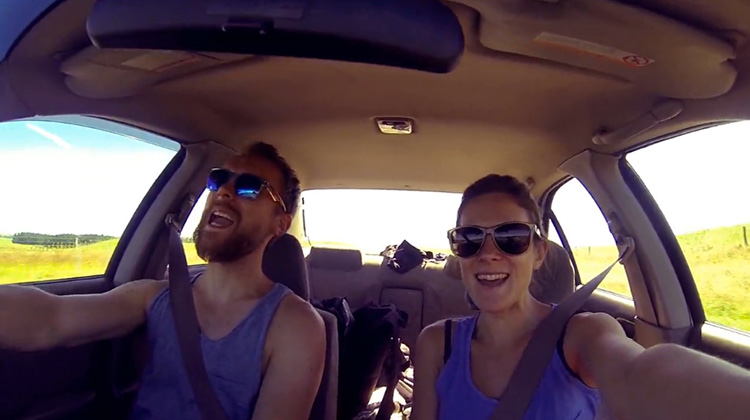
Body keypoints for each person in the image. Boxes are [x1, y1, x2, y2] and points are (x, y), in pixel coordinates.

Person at [0, 142, 326, 420]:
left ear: (280, 224)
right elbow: (52, 319)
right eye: (219, 179)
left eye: (249, 186)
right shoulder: (153, 297)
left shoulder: (296, 327)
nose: (224, 191)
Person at [412, 174, 750, 420]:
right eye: (470, 238)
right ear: (458, 252)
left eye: (511, 236)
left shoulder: (583, 335)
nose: (488, 253)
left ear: (539, 253)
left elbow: (639, 372)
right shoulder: (437, 344)